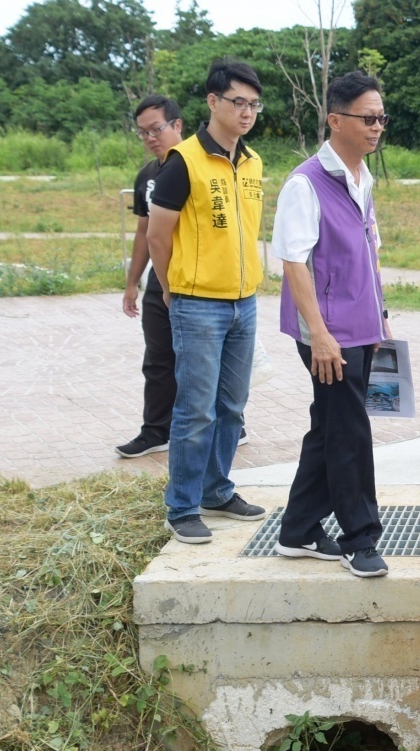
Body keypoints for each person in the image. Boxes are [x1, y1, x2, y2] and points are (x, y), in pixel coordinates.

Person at [270, 71, 392, 578]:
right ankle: (361, 538)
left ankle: (298, 529)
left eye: (382, 117)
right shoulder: (305, 184)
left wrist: (380, 313)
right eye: (368, 118)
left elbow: (370, 252)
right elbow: (293, 262)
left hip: (361, 324)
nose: (377, 126)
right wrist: (318, 333)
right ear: (335, 120)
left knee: (329, 427)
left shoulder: (363, 178)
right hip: (327, 333)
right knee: (349, 432)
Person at [147, 59, 267, 544]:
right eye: (238, 102)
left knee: (232, 407)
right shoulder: (184, 161)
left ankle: (217, 489)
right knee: (195, 409)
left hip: (245, 300)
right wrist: (173, 289)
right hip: (198, 303)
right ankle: (182, 506)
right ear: (213, 102)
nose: (247, 112)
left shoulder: (253, 162)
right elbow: (158, 235)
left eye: (254, 104)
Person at [116, 95, 184, 459]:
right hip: (160, 283)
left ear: (177, 125)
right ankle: (156, 430)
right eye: (143, 132)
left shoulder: (197, 168)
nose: (150, 137)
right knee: (158, 358)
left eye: (156, 128)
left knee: (201, 361)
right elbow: (144, 231)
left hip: (194, 282)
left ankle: (230, 426)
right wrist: (133, 282)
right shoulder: (147, 175)